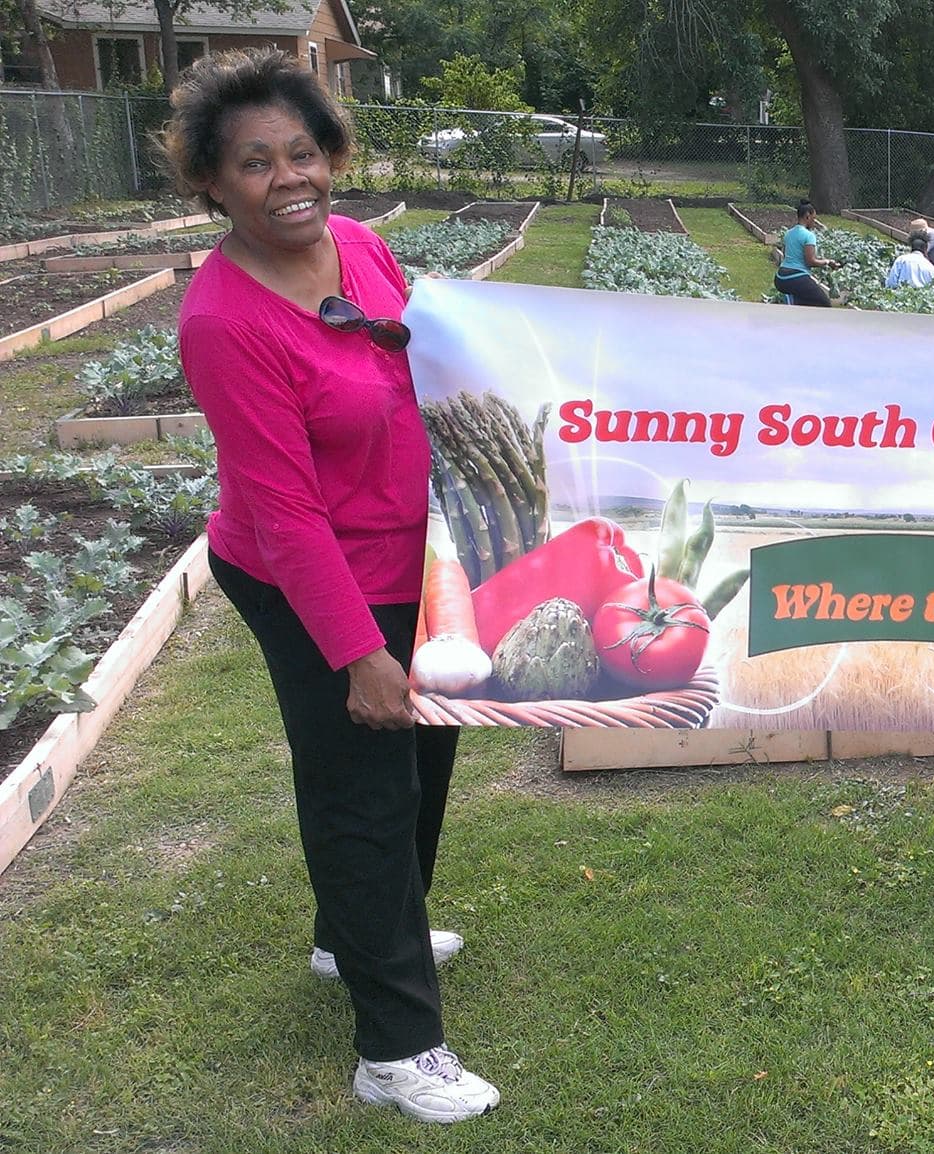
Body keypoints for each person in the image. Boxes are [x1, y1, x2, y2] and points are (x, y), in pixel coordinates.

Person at [166, 48, 499, 1122]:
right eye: (255, 162)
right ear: (213, 184)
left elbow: (416, 361)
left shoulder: (357, 245)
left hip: (415, 556)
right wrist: (358, 654)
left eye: (302, 152)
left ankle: (350, 933)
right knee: (364, 788)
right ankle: (396, 1050)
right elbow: (285, 514)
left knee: (426, 749)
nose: (289, 179)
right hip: (307, 575)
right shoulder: (225, 322)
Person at [776, 198, 838, 306]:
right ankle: (792, 301)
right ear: (807, 216)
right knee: (824, 303)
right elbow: (810, 261)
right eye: (814, 218)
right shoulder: (809, 236)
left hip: (780, 278)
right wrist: (827, 262)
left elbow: (785, 255)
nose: (814, 222)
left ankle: (793, 303)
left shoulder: (788, 233)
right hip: (795, 277)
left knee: (808, 298)